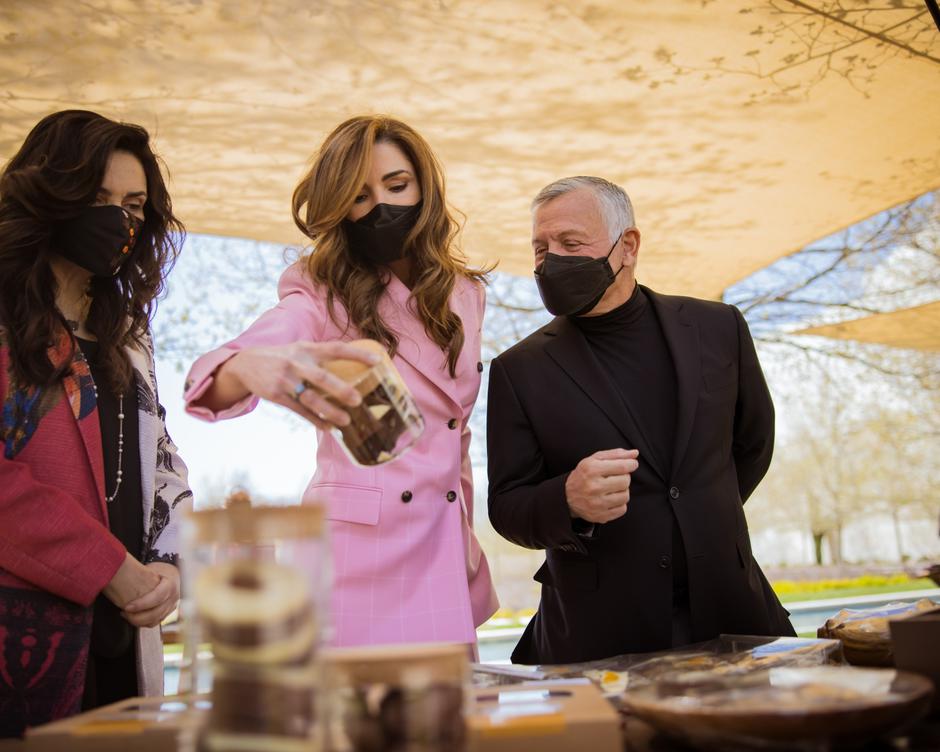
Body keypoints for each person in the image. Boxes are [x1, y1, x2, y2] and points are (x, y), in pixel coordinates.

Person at [184, 115, 499, 649]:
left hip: (443, 547)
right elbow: (221, 373)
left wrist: (465, 541)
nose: (380, 206)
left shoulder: (465, 294)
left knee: (447, 728)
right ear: (340, 209)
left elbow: (455, 431)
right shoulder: (320, 289)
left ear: (425, 187)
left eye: (397, 185)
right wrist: (245, 368)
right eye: (359, 196)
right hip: (358, 560)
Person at [487, 176, 794, 665]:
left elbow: (752, 445)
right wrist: (567, 499)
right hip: (597, 635)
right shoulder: (517, 370)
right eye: (541, 249)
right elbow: (506, 507)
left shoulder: (720, 328)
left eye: (570, 243)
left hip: (734, 615)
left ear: (627, 246)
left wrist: (699, 517)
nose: (552, 261)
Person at [0, 110, 192, 736]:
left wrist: (169, 563)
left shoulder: (128, 334)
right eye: (98, 197)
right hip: (23, 642)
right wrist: (109, 567)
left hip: (121, 637)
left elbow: (161, 454)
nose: (119, 220)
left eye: (135, 204)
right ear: (49, 193)